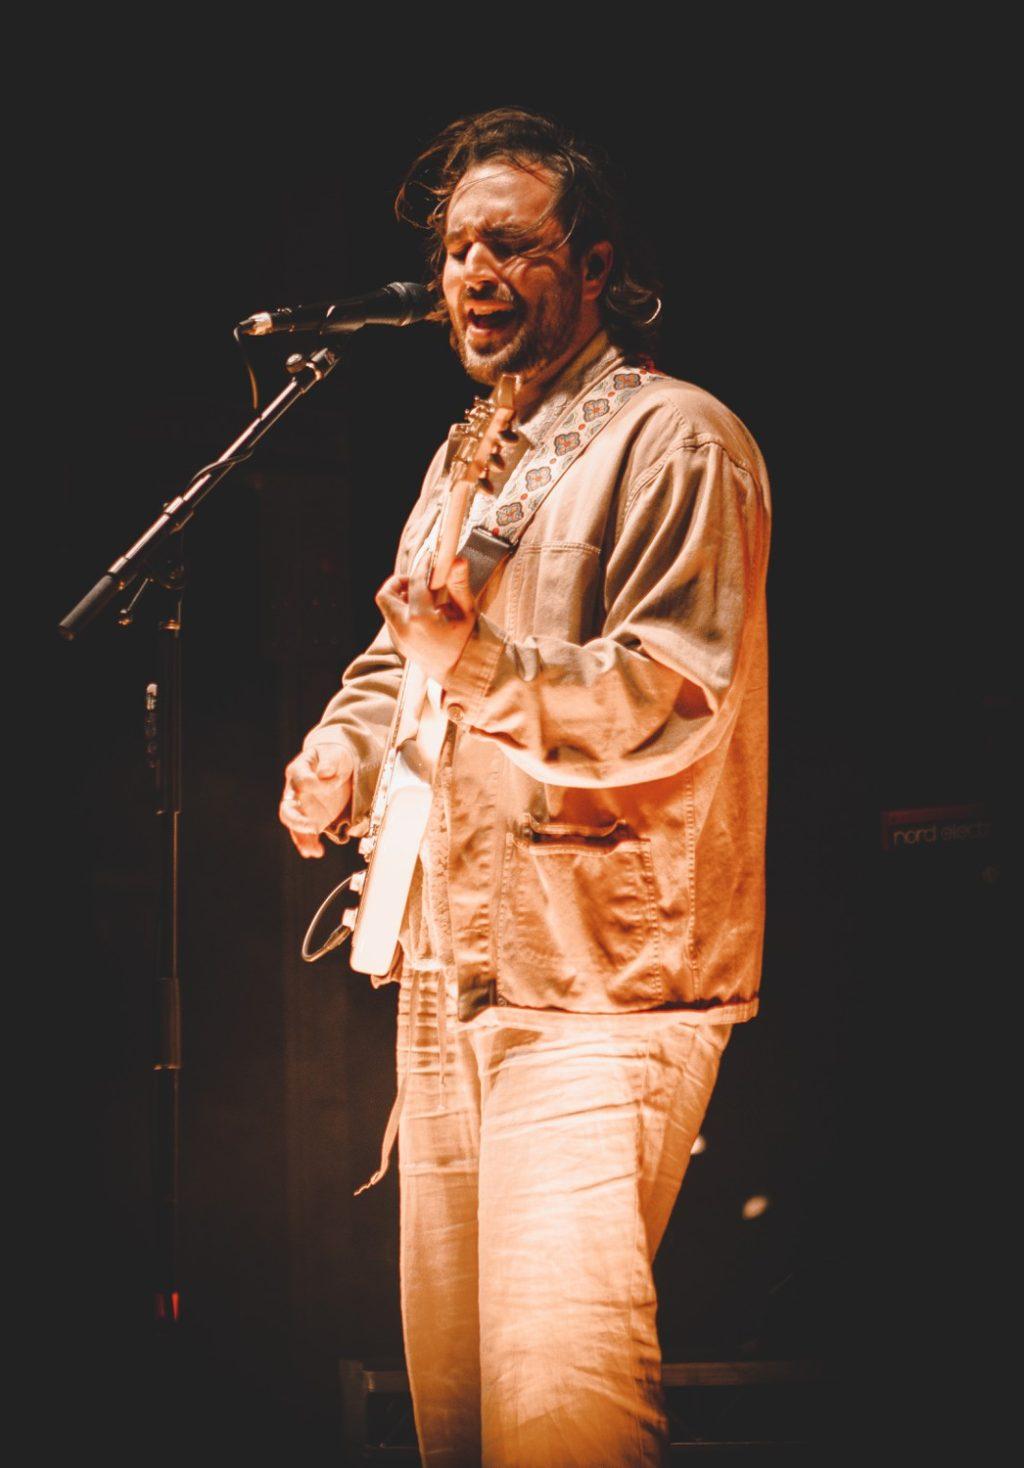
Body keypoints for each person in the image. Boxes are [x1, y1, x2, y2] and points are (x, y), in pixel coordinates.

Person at [279, 108, 771, 1467]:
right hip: (451, 967)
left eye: (511, 244)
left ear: (594, 263)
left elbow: (670, 696)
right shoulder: (463, 457)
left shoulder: (680, 440)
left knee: (563, 1401)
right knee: (459, 1414)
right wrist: (346, 746)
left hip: (602, 978)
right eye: (454, 250)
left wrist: (476, 660)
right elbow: (404, 654)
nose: (473, 274)